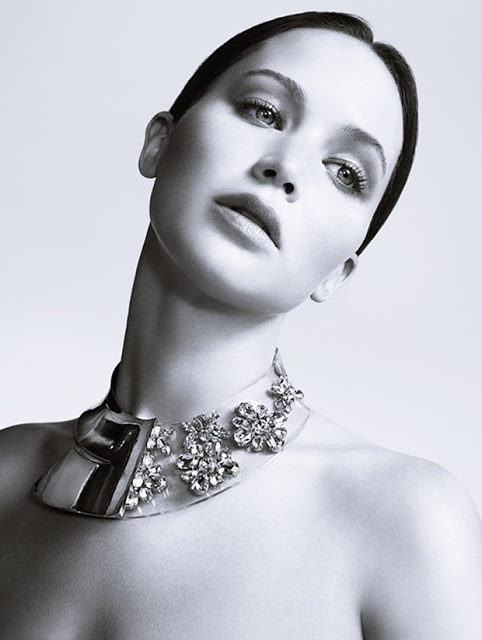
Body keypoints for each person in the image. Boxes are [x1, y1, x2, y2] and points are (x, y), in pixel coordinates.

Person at [0, 10, 481, 639]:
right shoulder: (7, 472)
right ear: (159, 141)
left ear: (337, 273)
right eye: (264, 111)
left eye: (346, 172)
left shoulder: (406, 521)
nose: (286, 166)